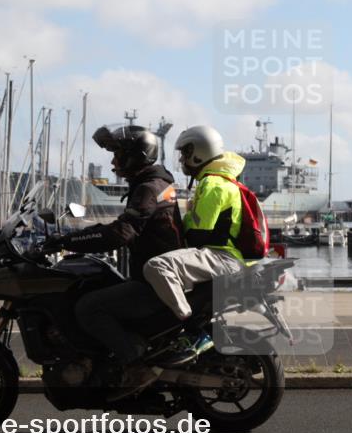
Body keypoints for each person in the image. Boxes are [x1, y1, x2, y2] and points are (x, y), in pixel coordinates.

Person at [46, 124, 183, 397]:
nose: (112, 161)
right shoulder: (154, 183)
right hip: (156, 277)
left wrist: (68, 241)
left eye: (118, 153)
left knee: (88, 308)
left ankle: (135, 364)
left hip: (155, 284)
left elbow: (121, 232)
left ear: (135, 156)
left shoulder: (148, 188)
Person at [142, 125, 246, 323]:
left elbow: (198, 234)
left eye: (184, 153)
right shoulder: (220, 181)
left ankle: (182, 320)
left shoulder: (214, 184)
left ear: (198, 154)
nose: (181, 159)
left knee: (157, 266)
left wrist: (180, 220)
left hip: (222, 257)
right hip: (223, 255)